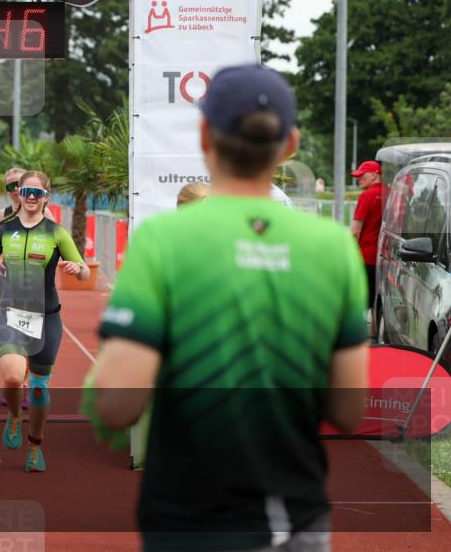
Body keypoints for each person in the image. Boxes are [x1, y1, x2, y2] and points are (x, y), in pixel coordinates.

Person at [88, 65, 369, 552]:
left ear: (204, 135)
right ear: (290, 145)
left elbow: (117, 406)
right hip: (292, 512)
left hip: (186, 514)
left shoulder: (162, 240)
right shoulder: (332, 247)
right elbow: (348, 409)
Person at [0, 171, 88, 472]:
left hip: (47, 318)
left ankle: (35, 446)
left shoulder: (56, 233)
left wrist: (78, 268)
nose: (32, 197)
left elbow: (85, 271)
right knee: (12, 377)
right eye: (27, 191)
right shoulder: (3, 228)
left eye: (38, 193)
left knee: (38, 388)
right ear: (19, 194)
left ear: (47, 196)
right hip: (11, 312)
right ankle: (13, 415)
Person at [0, 167, 52, 408]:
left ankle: (22, 384)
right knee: (11, 330)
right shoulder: (0, 217)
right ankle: (11, 380)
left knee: (29, 332)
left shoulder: (47, 217)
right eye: (10, 187)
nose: (15, 191)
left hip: (35, 286)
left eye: (19, 185)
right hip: (7, 281)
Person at [351, 160, 383, 315]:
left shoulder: (367, 196)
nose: (358, 178)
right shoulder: (392, 193)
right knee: (378, 304)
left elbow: (355, 231)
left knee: (361, 304)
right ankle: (376, 336)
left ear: (374, 174)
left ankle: (360, 338)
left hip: (365, 258)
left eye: (362, 175)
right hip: (385, 258)